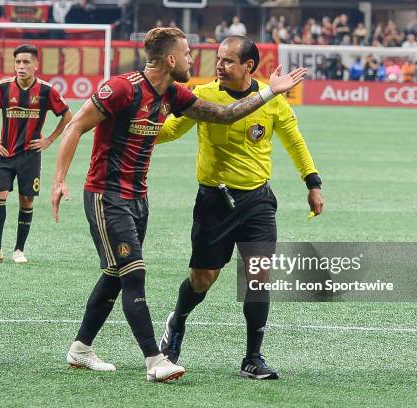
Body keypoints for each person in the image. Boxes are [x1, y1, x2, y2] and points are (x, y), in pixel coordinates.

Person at [51, 27, 307, 382]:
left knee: (114, 274)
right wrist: (59, 179)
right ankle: (156, 360)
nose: (195, 60)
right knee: (133, 273)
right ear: (171, 59)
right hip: (106, 195)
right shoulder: (121, 89)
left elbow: (226, 114)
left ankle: (80, 349)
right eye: (189, 54)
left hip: (139, 197)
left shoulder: (173, 94)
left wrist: (268, 92)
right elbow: (75, 126)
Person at [157, 36, 323, 380]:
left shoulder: (273, 100)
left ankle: (253, 357)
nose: (219, 65)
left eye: (228, 61)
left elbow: (294, 140)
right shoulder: (203, 94)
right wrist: (140, 127)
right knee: (202, 280)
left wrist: (312, 182)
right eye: (218, 59)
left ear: (249, 66)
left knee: (259, 279)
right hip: (214, 204)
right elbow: (173, 130)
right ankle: (177, 322)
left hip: (257, 203)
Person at [0, 44, 71, 263]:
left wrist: (49, 140)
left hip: (30, 156)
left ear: (36, 65)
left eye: (26, 62)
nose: (21, 66)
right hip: (5, 153)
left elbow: (67, 117)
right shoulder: (3, 88)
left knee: (26, 201)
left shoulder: (47, 91)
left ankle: (19, 250)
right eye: (18, 62)